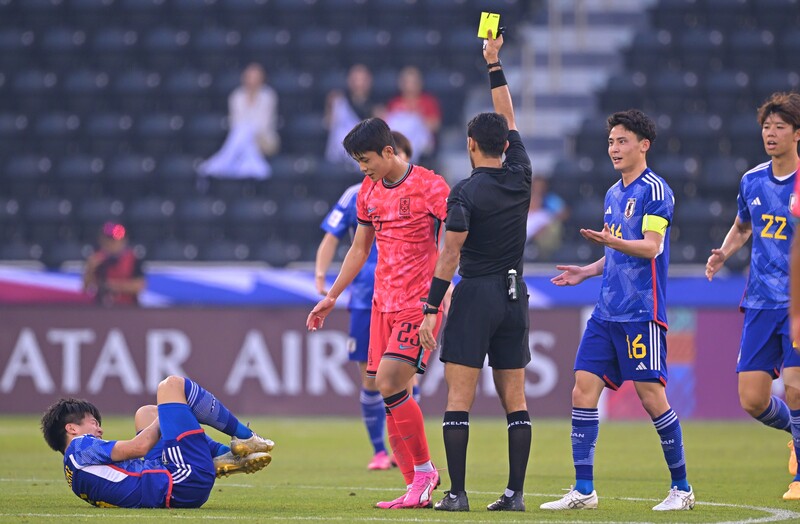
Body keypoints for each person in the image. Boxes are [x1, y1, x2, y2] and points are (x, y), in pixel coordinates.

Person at [542, 109, 694, 511]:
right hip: (606, 311)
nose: (614, 148)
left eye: (622, 140)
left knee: (651, 397)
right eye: (611, 141)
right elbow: (617, 253)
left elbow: (650, 247)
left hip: (642, 311)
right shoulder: (613, 194)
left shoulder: (655, 190)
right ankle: (584, 490)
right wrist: (587, 271)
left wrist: (609, 244)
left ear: (644, 145)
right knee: (582, 389)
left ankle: (682, 489)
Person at [306, 117, 450, 509]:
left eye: (366, 159)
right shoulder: (367, 192)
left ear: (389, 151)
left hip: (418, 303)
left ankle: (425, 471)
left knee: (389, 382)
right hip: (380, 304)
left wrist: (439, 300)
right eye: (357, 161)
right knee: (390, 393)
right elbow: (358, 249)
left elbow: (457, 239)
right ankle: (413, 485)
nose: (362, 168)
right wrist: (333, 295)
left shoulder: (431, 186)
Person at [416, 29, 532, 513]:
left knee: (459, 396)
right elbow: (508, 115)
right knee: (516, 399)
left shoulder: (463, 193)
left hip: (477, 293)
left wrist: (429, 308)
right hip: (514, 295)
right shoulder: (521, 175)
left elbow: (449, 256)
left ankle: (458, 494)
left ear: (470, 145)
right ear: (504, 144)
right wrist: (494, 64)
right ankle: (514, 495)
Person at [707, 92, 800, 500]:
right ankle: (795, 433)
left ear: (797, 134)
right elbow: (744, 225)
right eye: (767, 127)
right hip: (760, 301)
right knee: (752, 399)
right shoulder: (753, 180)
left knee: (795, 387)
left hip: (797, 302)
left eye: (780, 127)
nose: (771, 134)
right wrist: (724, 252)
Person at [313, 131, 415, 471]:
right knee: (371, 378)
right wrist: (321, 279)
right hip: (364, 299)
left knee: (403, 379)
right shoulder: (358, 194)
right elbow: (337, 240)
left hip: (405, 297)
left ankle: (410, 454)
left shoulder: (418, 191)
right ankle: (380, 451)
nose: (365, 168)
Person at [40, 375, 275, 508]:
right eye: (93, 422)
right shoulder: (81, 445)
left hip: (168, 485)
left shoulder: (74, 472)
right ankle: (245, 437)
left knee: (145, 413)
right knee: (171, 386)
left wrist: (164, 416)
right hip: (180, 480)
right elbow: (138, 447)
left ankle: (224, 456)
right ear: (71, 428)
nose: (99, 429)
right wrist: (168, 413)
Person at [198, 63, 279, 179]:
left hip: (265, 139)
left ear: (262, 79)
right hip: (241, 138)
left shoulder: (268, 96)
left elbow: (264, 124)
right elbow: (235, 122)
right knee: (241, 131)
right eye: (250, 77)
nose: (252, 80)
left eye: (256, 77)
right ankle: (254, 168)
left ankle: (223, 162)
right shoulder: (236, 96)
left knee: (244, 131)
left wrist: (249, 131)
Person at [384, 66, 441, 163]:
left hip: (421, 150)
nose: (410, 86)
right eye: (407, 82)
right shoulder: (394, 102)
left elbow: (435, 125)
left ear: (420, 83)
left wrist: (417, 119)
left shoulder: (428, 101)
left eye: (413, 82)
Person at [325, 64, 377, 166]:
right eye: (355, 79)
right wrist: (329, 107)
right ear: (349, 81)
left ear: (369, 82)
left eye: (363, 79)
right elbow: (328, 125)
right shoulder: (338, 103)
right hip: (338, 159)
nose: (359, 83)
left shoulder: (376, 109)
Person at [83, 222, 145, 306]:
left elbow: (139, 286)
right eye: (108, 240)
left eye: (114, 240)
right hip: (101, 308)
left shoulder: (133, 258)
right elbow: (86, 288)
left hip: (128, 307)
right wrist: (90, 269)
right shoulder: (97, 259)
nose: (111, 244)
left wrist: (112, 286)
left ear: (123, 240)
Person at [526, 175, 569, 260]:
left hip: (545, 230)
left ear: (545, 186)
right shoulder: (525, 198)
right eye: (536, 186)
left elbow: (565, 213)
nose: (538, 188)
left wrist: (550, 219)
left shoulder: (550, 200)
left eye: (540, 186)